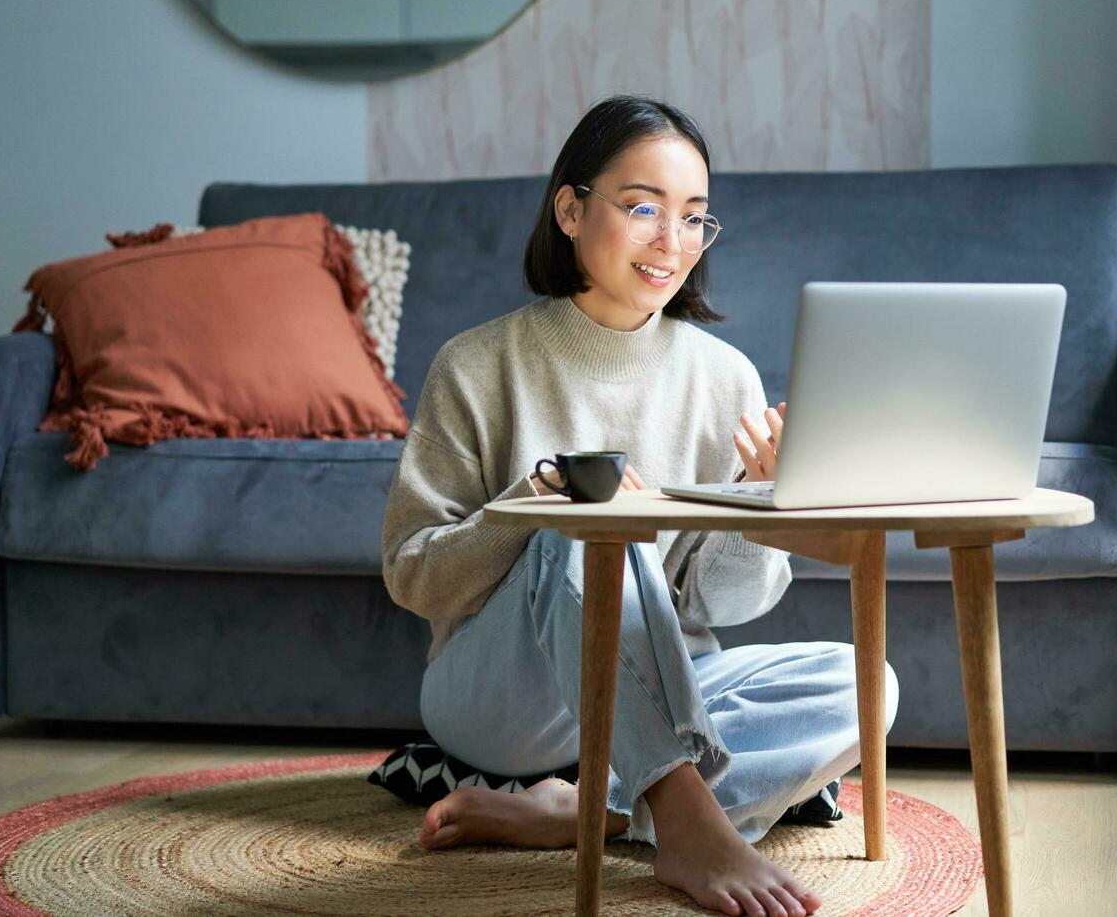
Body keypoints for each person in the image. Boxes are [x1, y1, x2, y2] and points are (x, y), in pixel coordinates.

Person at [381, 95, 899, 917]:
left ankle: (592, 812)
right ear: (570, 209)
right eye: (644, 208)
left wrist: (763, 509)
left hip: (668, 686)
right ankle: (687, 824)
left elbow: (718, 605)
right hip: (508, 702)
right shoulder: (477, 365)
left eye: (694, 218)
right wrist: (535, 504)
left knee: (864, 684)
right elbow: (413, 576)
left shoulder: (726, 376)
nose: (672, 243)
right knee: (583, 537)